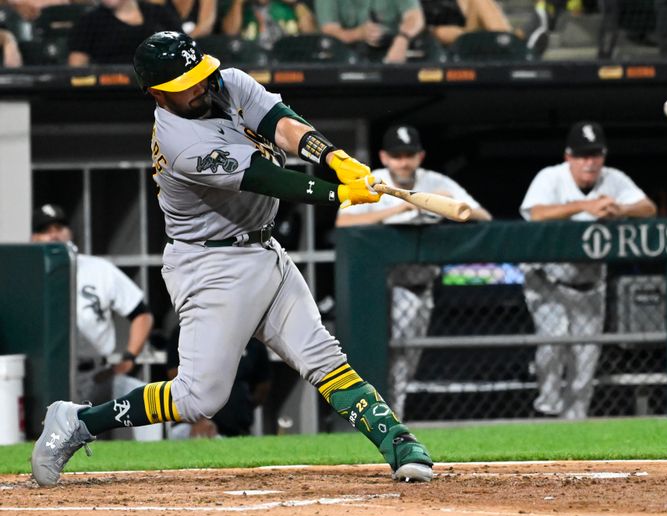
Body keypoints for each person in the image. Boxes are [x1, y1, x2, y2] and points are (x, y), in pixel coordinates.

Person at [31, 30, 432, 487]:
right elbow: (266, 178)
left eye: (200, 73)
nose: (202, 84)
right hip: (210, 265)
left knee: (323, 357)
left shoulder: (227, 82)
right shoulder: (182, 142)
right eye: (187, 81)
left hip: (263, 249)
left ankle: (397, 440)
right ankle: (79, 420)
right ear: (159, 93)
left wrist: (334, 156)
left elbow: (280, 123)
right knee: (198, 399)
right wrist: (339, 192)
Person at [336, 124, 492, 418]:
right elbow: (344, 225)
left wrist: (447, 204)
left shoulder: (435, 181)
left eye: (409, 154)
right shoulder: (372, 181)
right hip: (383, 289)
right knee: (386, 358)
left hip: (423, 285)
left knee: (408, 359)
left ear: (420, 156)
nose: (404, 161)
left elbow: (481, 215)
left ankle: (394, 415)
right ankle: (387, 415)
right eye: (397, 155)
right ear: (384, 157)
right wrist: (398, 209)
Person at [519, 120, 656, 419]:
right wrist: (585, 206)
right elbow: (536, 213)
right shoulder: (551, 177)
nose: (589, 162)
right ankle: (547, 410)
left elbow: (648, 208)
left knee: (586, 357)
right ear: (568, 156)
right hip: (548, 280)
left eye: (595, 154)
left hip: (590, 283)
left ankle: (575, 421)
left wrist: (621, 209)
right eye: (582, 155)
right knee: (554, 340)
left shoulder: (614, 179)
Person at [30, 204, 160, 441]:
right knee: (46, 440)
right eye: (45, 229)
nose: (54, 234)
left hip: (95, 375)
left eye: (59, 227)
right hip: (45, 375)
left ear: (70, 233)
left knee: (109, 442)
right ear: (34, 237)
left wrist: (129, 357)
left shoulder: (98, 269)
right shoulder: (27, 277)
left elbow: (141, 313)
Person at [165, 327, 272, 438]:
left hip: (236, 430)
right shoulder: (188, 329)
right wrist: (198, 420)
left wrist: (243, 408)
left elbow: (263, 384)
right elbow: (177, 378)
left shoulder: (251, 336)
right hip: (192, 426)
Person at [68, 0, 181, 66]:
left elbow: (183, 48)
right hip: (109, 92)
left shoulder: (158, 13)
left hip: (159, 87)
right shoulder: (90, 20)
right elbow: (76, 68)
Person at [314, 0, 424, 63]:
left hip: (391, 49)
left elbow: (415, 16)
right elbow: (330, 31)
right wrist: (359, 34)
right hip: (345, 56)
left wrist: (402, 38)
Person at [419, 0, 512, 46]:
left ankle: (506, 40)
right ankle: (502, 40)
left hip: (466, 31)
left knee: (480, 1)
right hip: (434, 32)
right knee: (441, 32)